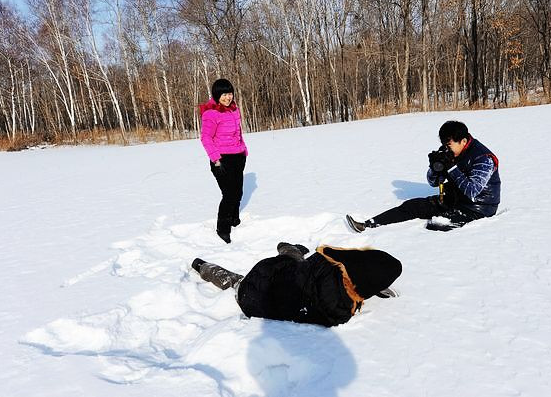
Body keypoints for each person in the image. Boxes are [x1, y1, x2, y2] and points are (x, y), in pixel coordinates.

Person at [191, 243, 402, 327]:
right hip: (257, 294)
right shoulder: (339, 310)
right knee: (235, 282)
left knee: (295, 261)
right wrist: (371, 287)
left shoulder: (326, 264)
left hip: (269, 278)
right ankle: (203, 267)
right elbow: (355, 288)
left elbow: (340, 258)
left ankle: (201, 265)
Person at [346, 120, 501, 232]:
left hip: (479, 208)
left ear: (463, 141)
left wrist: (451, 167)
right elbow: (433, 182)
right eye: (444, 144)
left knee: (436, 225)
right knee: (412, 206)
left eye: (449, 145)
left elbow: (473, 191)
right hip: (455, 199)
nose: (446, 148)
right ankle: (367, 224)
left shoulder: (483, 158)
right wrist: (435, 168)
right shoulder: (451, 151)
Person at [200, 78, 248, 243]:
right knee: (229, 194)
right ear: (216, 95)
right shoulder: (210, 114)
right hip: (221, 159)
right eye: (224, 94)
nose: (228, 97)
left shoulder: (234, 109)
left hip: (238, 156)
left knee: (238, 191)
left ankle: (234, 219)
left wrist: (244, 150)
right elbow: (205, 138)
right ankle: (223, 228)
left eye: (230, 93)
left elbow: (238, 133)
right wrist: (216, 160)